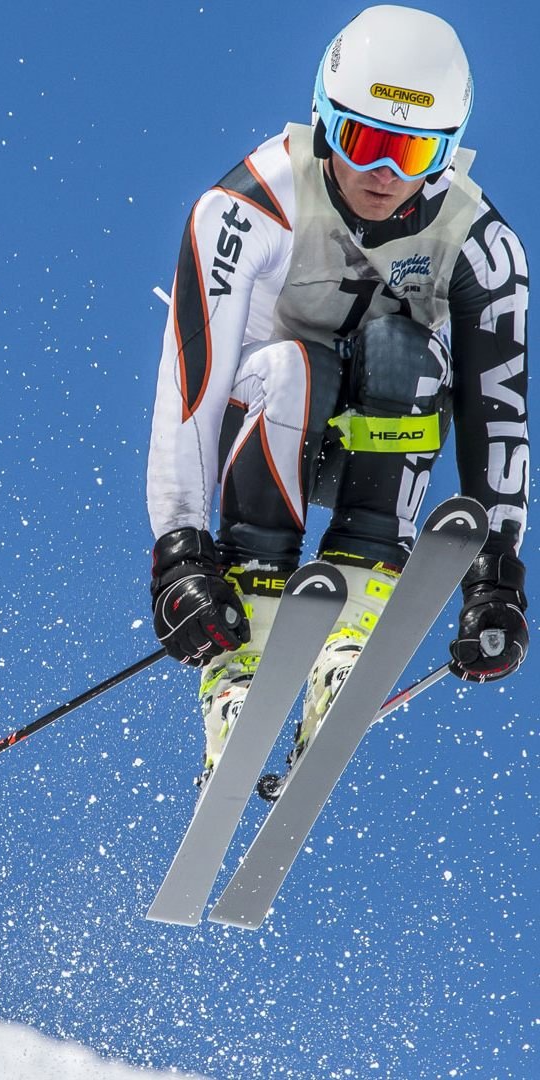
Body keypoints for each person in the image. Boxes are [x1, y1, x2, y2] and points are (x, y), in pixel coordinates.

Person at [146, 5, 529, 788]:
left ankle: (347, 635)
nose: (384, 174)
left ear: (446, 154)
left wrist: (495, 571)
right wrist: (179, 552)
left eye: (414, 151)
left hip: (372, 444)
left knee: (408, 356)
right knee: (295, 366)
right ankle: (239, 671)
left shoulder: (481, 243)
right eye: (366, 143)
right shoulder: (248, 205)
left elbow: (499, 409)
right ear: (325, 122)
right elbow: (191, 386)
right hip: (254, 424)